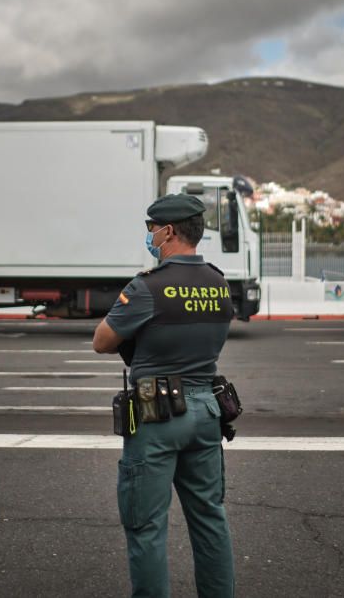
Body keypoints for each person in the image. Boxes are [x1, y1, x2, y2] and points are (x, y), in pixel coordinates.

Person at [93, 193, 235, 598]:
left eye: (151, 229)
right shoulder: (219, 283)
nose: (150, 235)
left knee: (146, 526)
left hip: (156, 414)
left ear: (168, 231)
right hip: (206, 409)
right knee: (210, 518)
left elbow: (102, 342)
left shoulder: (146, 287)